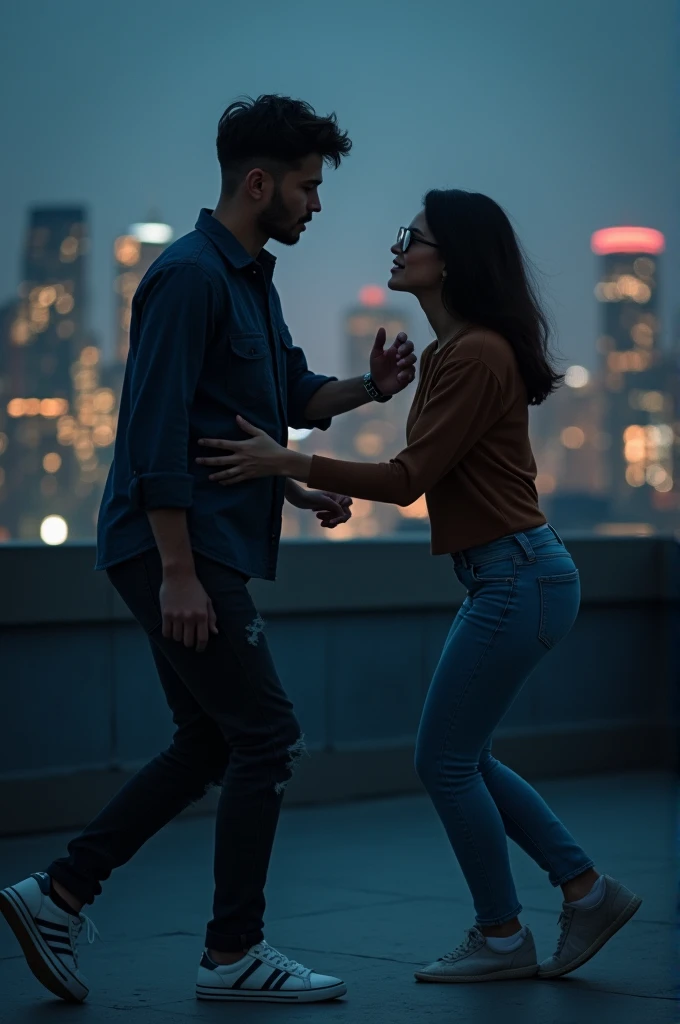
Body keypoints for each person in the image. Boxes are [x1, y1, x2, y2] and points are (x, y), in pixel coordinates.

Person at [0, 95, 418, 1006]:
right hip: (173, 550)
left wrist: (367, 390)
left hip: (199, 543)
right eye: (307, 188)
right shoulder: (189, 276)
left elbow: (284, 399)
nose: (316, 205)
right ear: (257, 182)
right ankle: (234, 953)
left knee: (208, 740)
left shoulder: (248, 280)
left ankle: (58, 894)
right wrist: (180, 573)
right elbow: (151, 433)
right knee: (267, 736)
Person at [194, 189, 643, 985]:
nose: (398, 247)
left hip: (518, 577)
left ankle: (504, 934)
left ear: (454, 259)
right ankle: (586, 890)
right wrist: (315, 464)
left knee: (444, 760)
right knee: (466, 756)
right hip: (509, 575)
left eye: (416, 238)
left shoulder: (474, 354)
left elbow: (409, 481)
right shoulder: (453, 352)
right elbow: (416, 476)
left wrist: (287, 462)